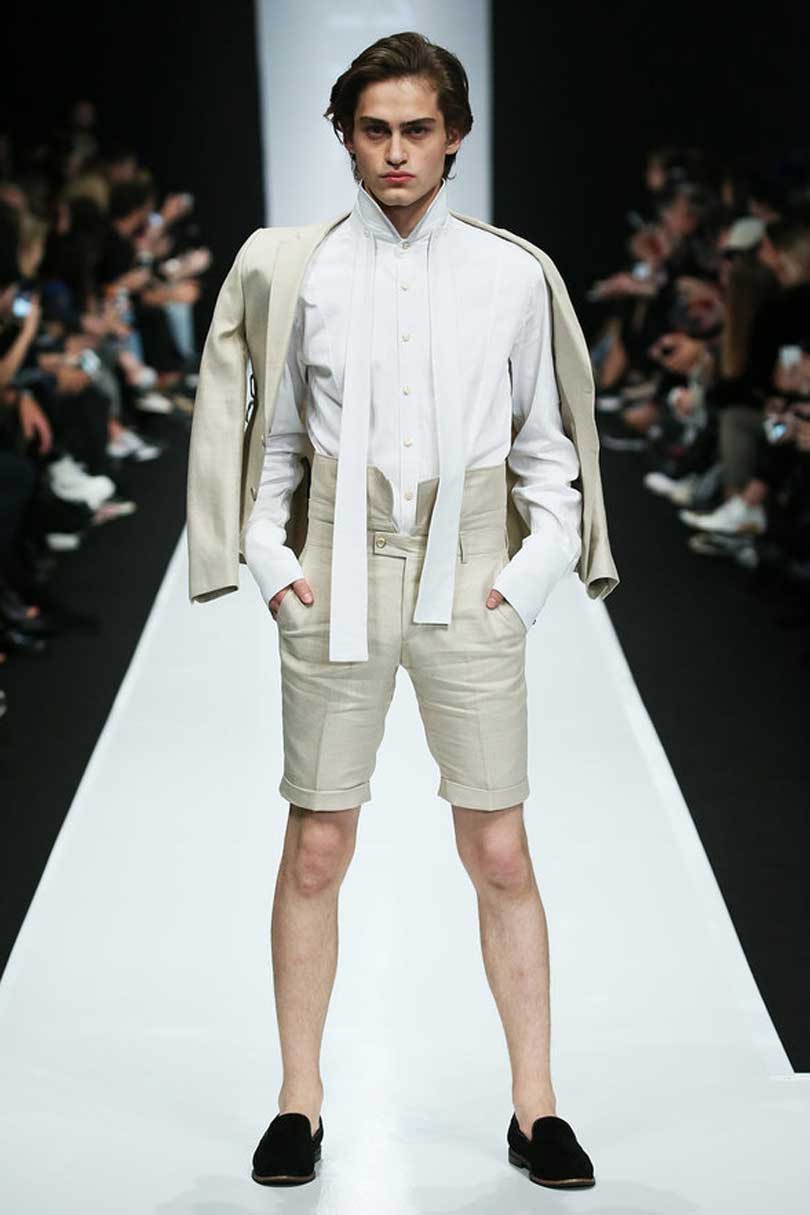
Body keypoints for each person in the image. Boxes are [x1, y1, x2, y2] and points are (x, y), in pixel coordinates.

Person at [186, 30, 619, 1192]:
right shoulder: (301, 270)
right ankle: (299, 1102)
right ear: (345, 137)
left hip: (473, 566)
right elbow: (274, 437)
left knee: (500, 848)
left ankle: (536, 1108)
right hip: (335, 565)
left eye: (416, 129)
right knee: (318, 845)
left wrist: (523, 582)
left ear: (455, 135)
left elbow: (547, 447)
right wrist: (274, 565)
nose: (394, 152)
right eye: (373, 130)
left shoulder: (512, 275)